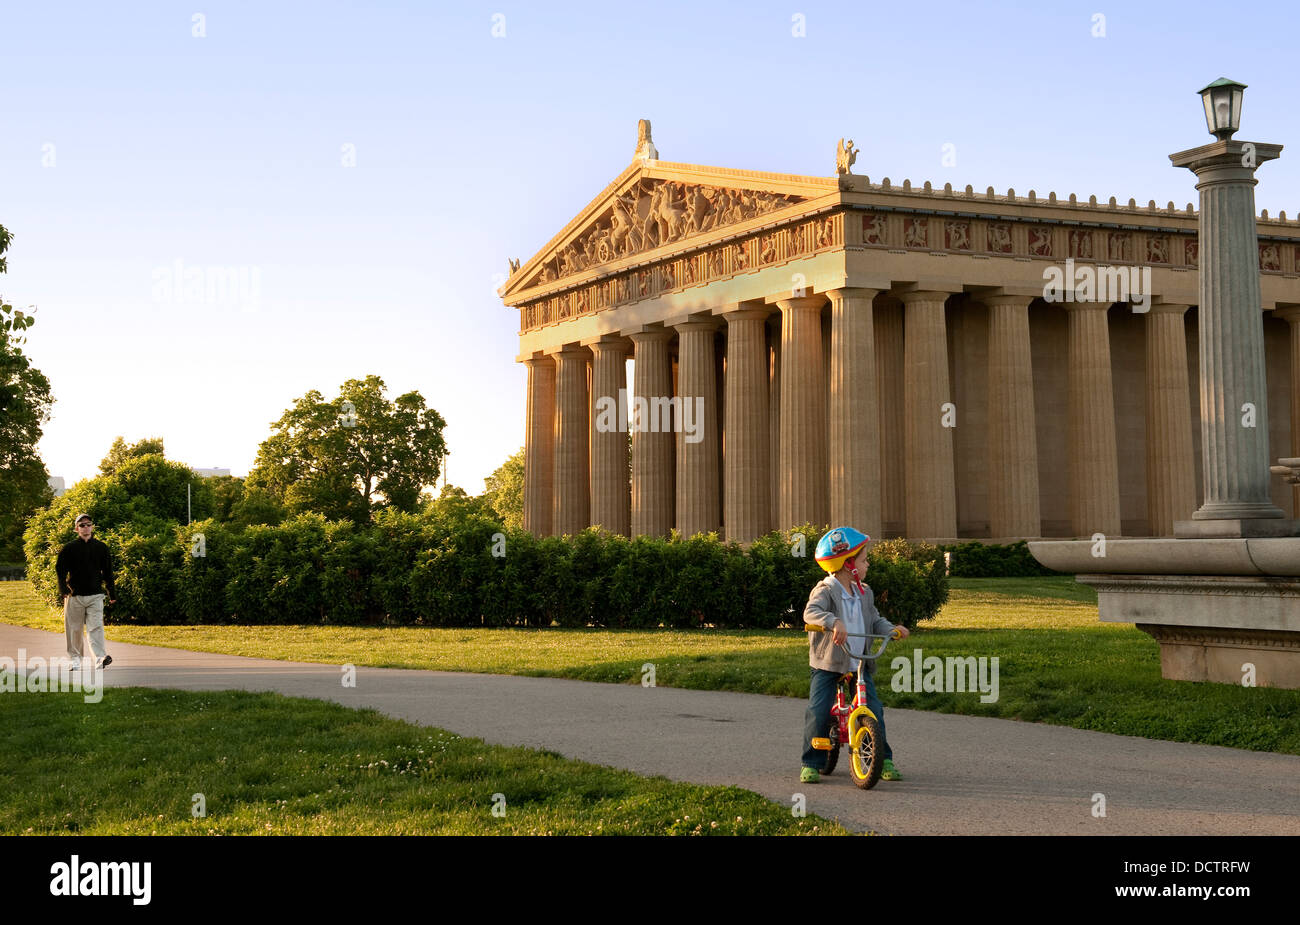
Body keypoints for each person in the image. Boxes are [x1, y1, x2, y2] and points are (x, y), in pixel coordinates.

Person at [799, 526, 909, 784]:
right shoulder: (825, 590)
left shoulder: (864, 592)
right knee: (819, 710)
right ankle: (811, 762)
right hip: (829, 663)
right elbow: (810, 613)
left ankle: (884, 760)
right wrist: (833, 622)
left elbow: (874, 620)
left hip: (858, 663)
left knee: (874, 709)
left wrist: (891, 629)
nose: (867, 563)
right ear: (849, 564)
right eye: (863, 559)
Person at [56, 513, 116, 670]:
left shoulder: (101, 548)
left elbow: (108, 572)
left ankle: (100, 658)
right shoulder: (69, 548)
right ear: (77, 529)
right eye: (82, 525)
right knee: (74, 629)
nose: (86, 527)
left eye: (88, 524)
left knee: (95, 627)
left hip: (95, 595)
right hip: (75, 596)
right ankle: (75, 660)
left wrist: (112, 593)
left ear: (92, 527)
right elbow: (60, 570)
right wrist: (63, 589)